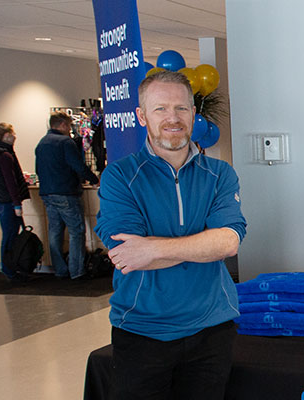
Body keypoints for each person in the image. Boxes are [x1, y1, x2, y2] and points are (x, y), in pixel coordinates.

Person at [94, 70, 246, 399]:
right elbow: (128, 256)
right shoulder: (120, 177)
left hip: (211, 330)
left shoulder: (219, 174)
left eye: (181, 108)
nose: (172, 118)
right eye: (160, 108)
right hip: (142, 331)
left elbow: (229, 242)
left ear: (194, 113)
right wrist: (203, 245)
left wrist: (152, 249)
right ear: (141, 115)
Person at [36, 111, 99, 280]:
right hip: (66, 192)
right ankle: (77, 270)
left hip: (47, 193)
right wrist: (94, 179)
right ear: (63, 125)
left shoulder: (42, 143)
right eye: (69, 125)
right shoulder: (65, 142)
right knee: (76, 231)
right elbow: (78, 165)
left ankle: (60, 270)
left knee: (55, 232)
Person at [0, 123, 32, 283]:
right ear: (6, 135)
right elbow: (10, 182)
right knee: (10, 236)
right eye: (13, 134)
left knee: (9, 235)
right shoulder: (5, 155)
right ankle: (9, 269)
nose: (15, 137)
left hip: (0, 200)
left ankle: (10, 268)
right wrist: (17, 204)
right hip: (8, 202)